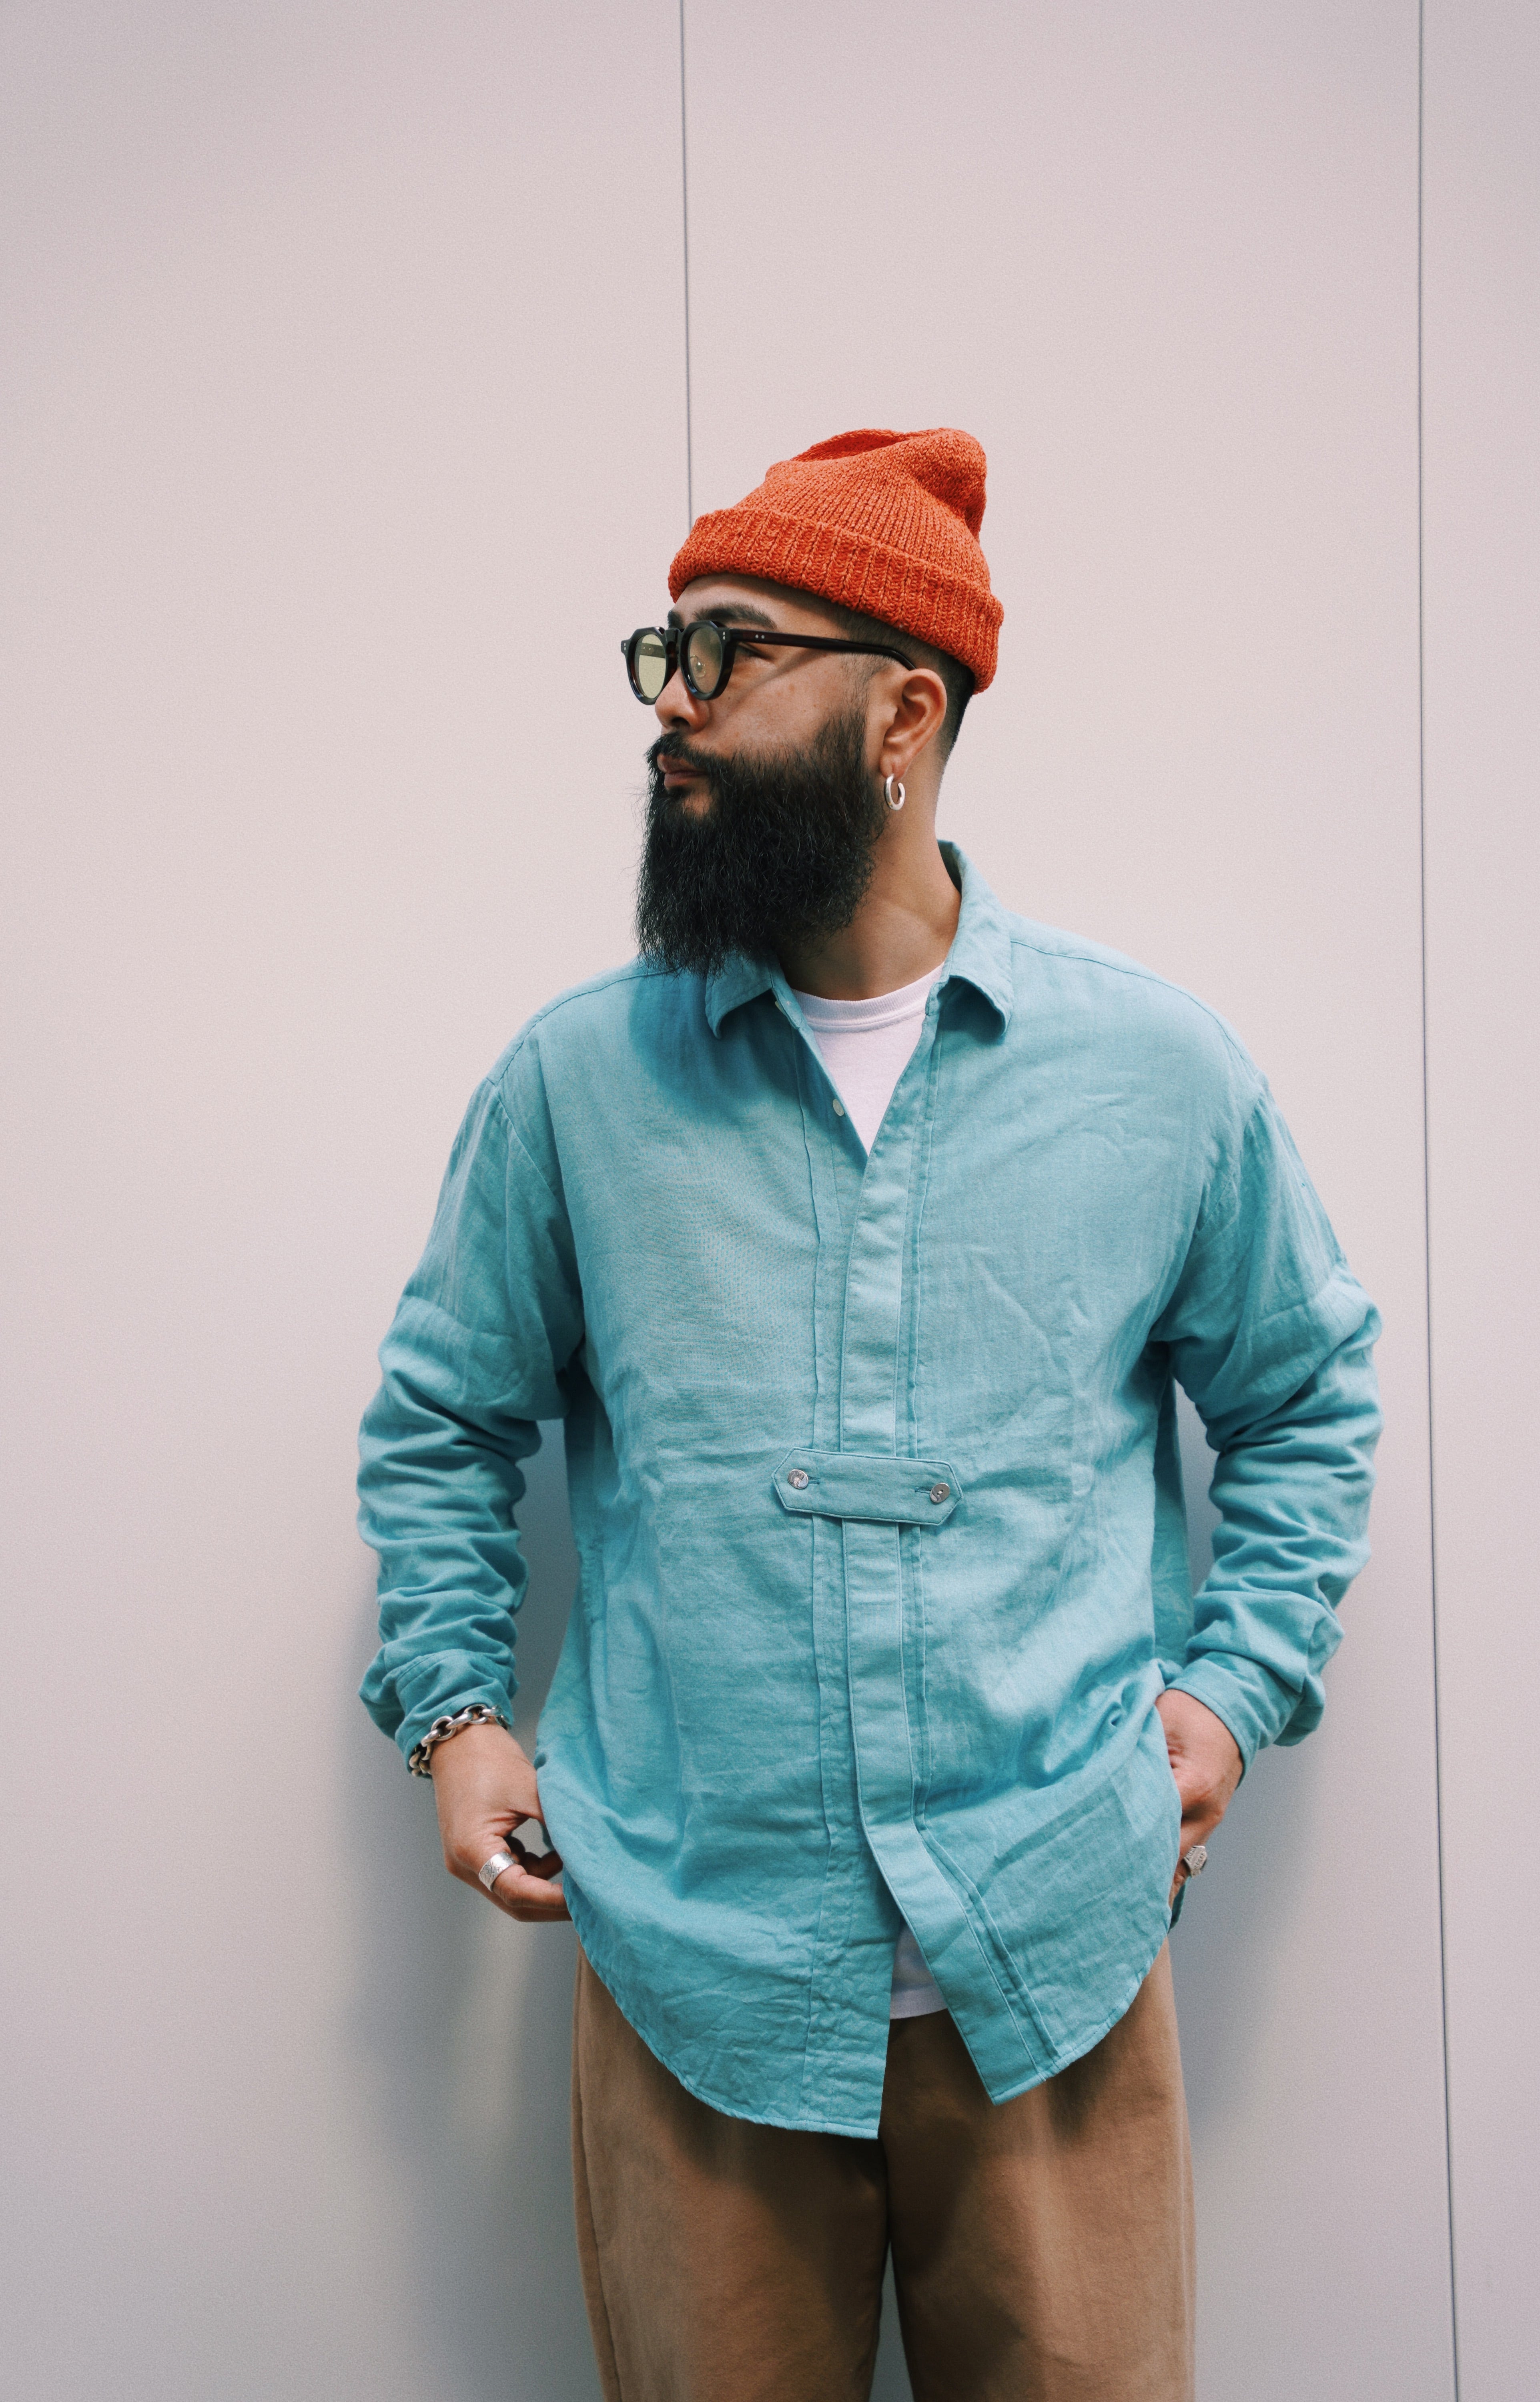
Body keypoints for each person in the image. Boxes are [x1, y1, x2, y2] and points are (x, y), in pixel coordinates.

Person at [358, 426, 1381, 2402]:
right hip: (693, 1971)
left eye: (728, 654)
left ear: (904, 711)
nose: (672, 707)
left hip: (1057, 1953)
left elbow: (1305, 1395)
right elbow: (441, 1421)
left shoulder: (1155, 1073)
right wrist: (457, 1713)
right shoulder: (575, 1087)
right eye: (664, 652)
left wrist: (1232, 1692)